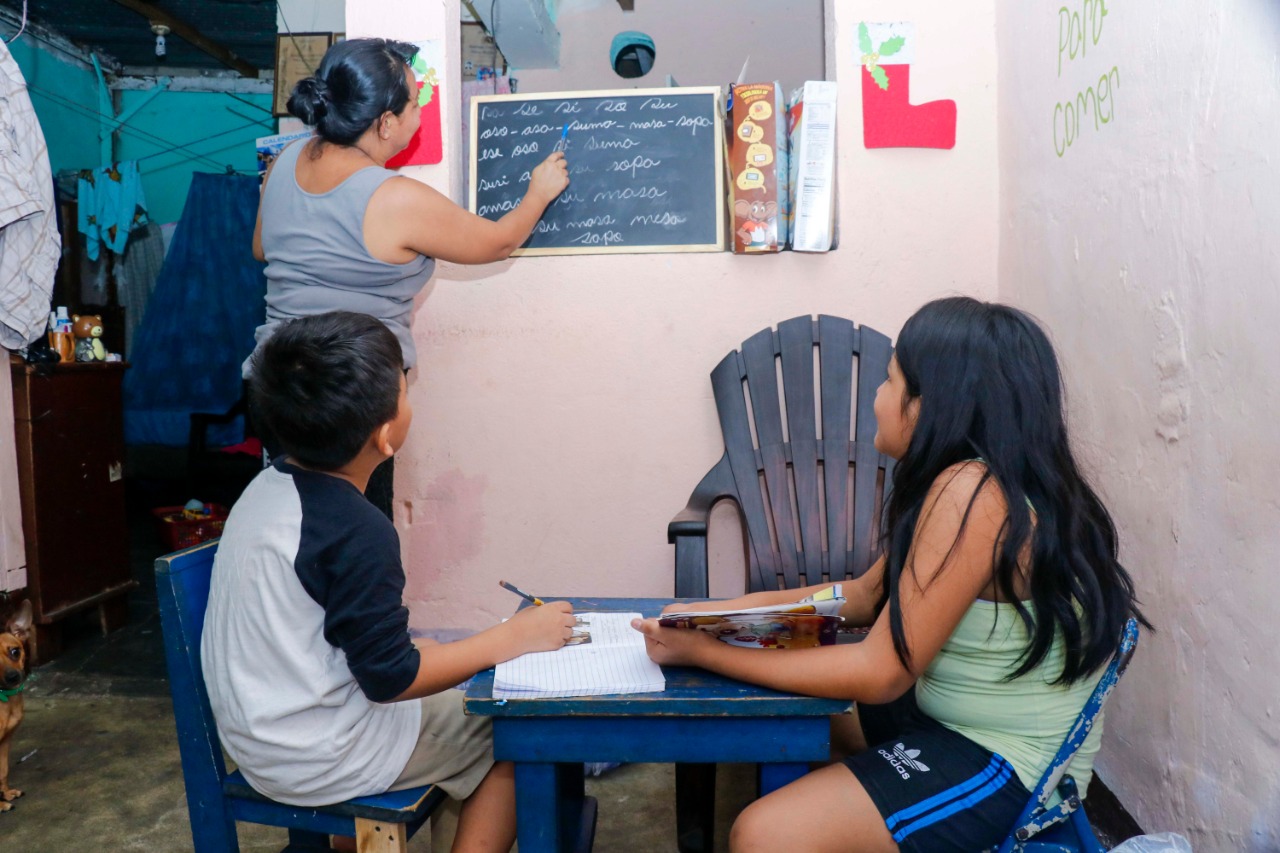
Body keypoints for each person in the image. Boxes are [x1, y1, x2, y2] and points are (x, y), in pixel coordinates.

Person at [633, 297, 1150, 853]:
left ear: (931, 404)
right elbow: (859, 597)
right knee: (786, 716)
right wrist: (711, 615)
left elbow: (879, 673)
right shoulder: (979, 483)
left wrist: (704, 651)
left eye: (888, 381)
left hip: (1002, 761)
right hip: (939, 712)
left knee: (765, 834)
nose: (876, 399)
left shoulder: (973, 494)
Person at [203, 312, 576, 852]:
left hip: (260, 741)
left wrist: (428, 652)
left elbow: (324, 633)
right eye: (405, 391)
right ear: (385, 436)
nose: (409, 399)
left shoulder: (267, 488)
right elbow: (391, 680)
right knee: (517, 734)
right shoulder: (357, 530)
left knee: (452, 686)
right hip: (322, 756)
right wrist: (512, 638)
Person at [247, 38, 570, 519]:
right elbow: (497, 242)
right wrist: (538, 193)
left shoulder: (285, 160)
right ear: (385, 123)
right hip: (348, 396)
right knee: (356, 536)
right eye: (415, 104)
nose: (419, 114)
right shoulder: (393, 198)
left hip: (273, 384)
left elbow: (261, 247)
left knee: (288, 525)